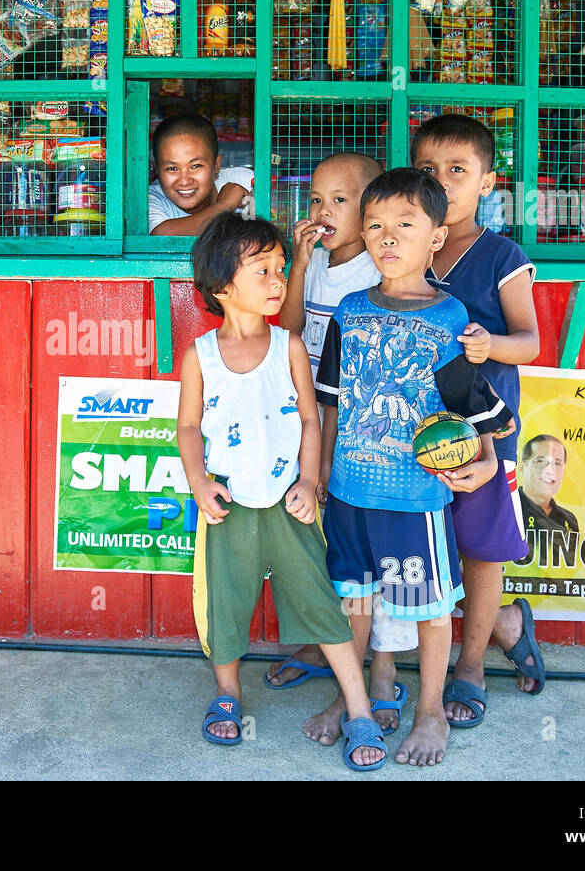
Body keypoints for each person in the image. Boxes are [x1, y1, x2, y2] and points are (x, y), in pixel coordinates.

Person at [178, 211, 387, 771]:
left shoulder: (288, 344)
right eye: (264, 270)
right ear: (222, 287)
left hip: (291, 504)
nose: (278, 280)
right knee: (225, 605)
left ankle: (359, 707)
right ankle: (228, 693)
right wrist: (199, 483)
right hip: (227, 509)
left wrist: (310, 478)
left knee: (324, 603)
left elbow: (312, 419)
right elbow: (189, 428)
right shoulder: (199, 357)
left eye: (280, 267)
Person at [314, 167, 509, 766]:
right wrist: (319, 473)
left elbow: (474, 411)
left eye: (404, 224)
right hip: (349, 491)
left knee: (426, 609)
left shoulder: (449, 319)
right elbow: (330, 403)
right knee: (355, 601)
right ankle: (357, 705)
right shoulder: (349, 310)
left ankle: (428, 712)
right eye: (374, 226)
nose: (387, 237)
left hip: (414, 498)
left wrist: (488, 460)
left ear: (435, 237)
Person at [267, 151, 414, 736]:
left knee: (377, 562)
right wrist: (300, 263)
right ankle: (328, 648)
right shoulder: (324, 264)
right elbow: (295, 330)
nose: (323, 212)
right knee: (330, 554)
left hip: (366, 435)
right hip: (316, 421)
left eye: (340, 201)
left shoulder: (374, 274)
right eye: (315, 201)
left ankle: (381, 670)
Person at [412, 114, 546, 725]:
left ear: (487, 183)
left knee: (480, 549)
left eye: (457, 172)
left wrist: (487, 346)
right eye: (427, 171)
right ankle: (494, 630)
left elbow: (530, 341)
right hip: (417, 427)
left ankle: (470, 665)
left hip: (485, 428)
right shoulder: (408, 241)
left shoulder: (500, 254)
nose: (441, 182)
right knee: (423, 541)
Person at [148, 114, 253, 236]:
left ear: (216, 165)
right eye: (172, 168)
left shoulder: (244, 180)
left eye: (196, 166)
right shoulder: (152, 199)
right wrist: (225, 206)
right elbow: (161, 236)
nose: (184, 181)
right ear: (157, 170)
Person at [518, 434, 579, 558]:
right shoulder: (505, 511)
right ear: (522, 468)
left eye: (557, 464)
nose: (549, 471)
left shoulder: (569, 520)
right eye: (540, 461)